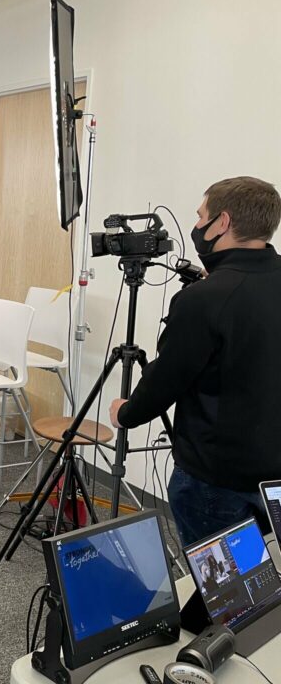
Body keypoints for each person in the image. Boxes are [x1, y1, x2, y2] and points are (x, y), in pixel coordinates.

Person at [109, 177, 281, 546]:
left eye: (201, 216)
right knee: (267, 584)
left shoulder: (204, 299)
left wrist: (126, 413)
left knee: (226, 595)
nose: (198, 226)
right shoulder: (225, 289)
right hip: (275, 479)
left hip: (217, 481)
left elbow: (168, 379)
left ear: (222, 222)